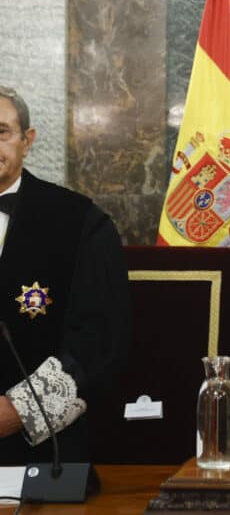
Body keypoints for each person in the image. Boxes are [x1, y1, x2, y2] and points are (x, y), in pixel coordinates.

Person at [0, 85, 131, 465]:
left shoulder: (79, 223)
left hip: (41, 454)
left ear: (28, 140)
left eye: (2, 132)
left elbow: (100, 341)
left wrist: (18, 411)